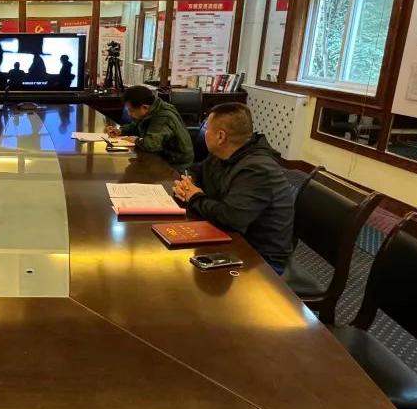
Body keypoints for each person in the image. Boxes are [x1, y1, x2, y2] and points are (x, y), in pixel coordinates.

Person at [172, 103, 294, 274]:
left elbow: (230, 218)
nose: (204, 132)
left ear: (221, 136)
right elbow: (197, 169)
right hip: (233, 238)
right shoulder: (224, 153)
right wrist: (188, 181)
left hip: (260, 259)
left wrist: (193, 197)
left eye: (207, 128)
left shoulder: (257, 169)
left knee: (181, 272)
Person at [105, 86, 194, 169]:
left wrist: (136, 140)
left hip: (176, 165)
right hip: (161, 157)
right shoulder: (151, 110)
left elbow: (152, 145)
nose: (129, 113)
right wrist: (120, 131)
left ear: (144, 107)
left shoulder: (163, 116)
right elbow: (136, 126)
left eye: (131, 110)